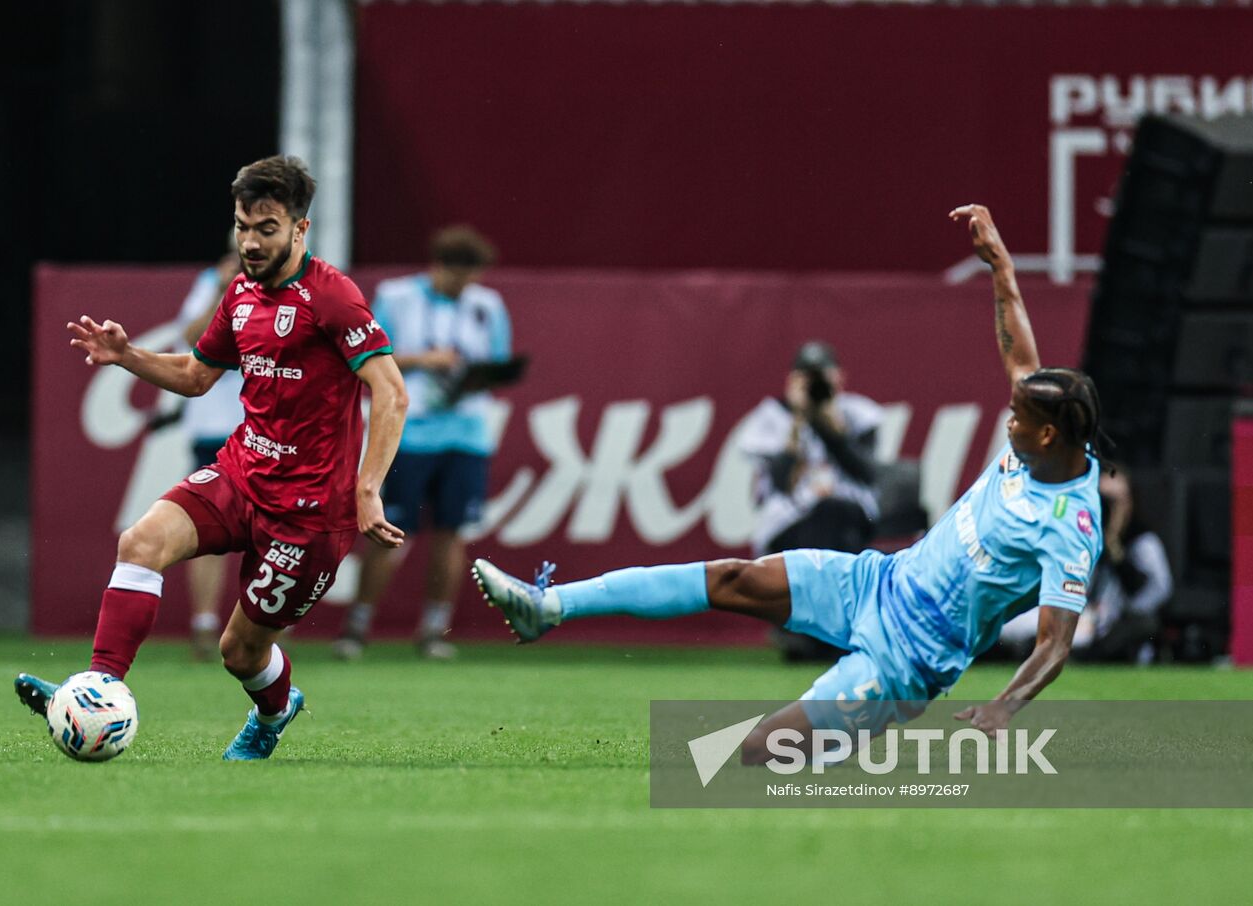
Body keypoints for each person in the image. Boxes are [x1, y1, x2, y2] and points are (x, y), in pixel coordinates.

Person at [473, 204, 1105, 758]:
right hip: (875, 583)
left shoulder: (1069, 527)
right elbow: (1020, 357)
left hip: (909, 659)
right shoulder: (1039, 442)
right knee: (733, 577)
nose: (1008, 418)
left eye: (1019, 418)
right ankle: (549, 608)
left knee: (750, 757)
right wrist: (1001, 269)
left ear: (1049, 434)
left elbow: (1054, 643)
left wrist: (1005, 706)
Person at [14, 156, 409, 760]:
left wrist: (367, 488)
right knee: (140, 543)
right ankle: (97, 688)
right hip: (241, 473)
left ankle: (274, 713)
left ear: (300, 230)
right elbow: (198, 375)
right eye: (242, 226)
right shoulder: (241, 293)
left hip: (307, 515)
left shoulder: (332, 298)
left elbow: (392, 391)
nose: (250, 242)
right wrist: (128, 356)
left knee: (240, 653)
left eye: (267, 228)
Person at [334, 226, 511, 660]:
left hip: (467, 434)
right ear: (438, 265)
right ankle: (358, 627)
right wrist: (424, 360)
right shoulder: (396, 297)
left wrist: (476, 375)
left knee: (452, 534)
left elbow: (498, 362)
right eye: (458, 276)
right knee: (389, 530)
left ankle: (433, 630)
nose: (465, 285)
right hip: (408, 433)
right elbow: (366, 355)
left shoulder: (487, 305)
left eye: (472, 277)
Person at [738, 340, 882, 661]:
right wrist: (800, 420)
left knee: (833, 511)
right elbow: (778, 481)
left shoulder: (857, 412)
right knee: (822, 516)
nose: (816, 383)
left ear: (840, 377)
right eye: (807, 376)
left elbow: (867, 472)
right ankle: (826, 633)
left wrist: (830, 426)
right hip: (790, 524)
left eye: (822, 375)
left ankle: (812, 633)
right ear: (791, 381)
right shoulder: (772, 417)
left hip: (849, 518)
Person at [998, 466, 1171, 663]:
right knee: (1012, 622)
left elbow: (1154, 593)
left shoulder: (1142, 542)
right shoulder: (1080, 534)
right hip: (1075, 613)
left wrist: (1114, 546)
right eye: (1102, 501)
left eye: (1114, 503)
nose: (1107, 509)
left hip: (1113, 622)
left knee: (1136, 625)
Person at [173, 245, 244, 660]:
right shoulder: (212, 285)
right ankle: (204, 623)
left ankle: (259, 626)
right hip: (214, 427)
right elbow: (188, 340)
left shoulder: (287, 291)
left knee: (272, 531)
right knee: (210, 531)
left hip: (266, 426)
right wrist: (224, 290)